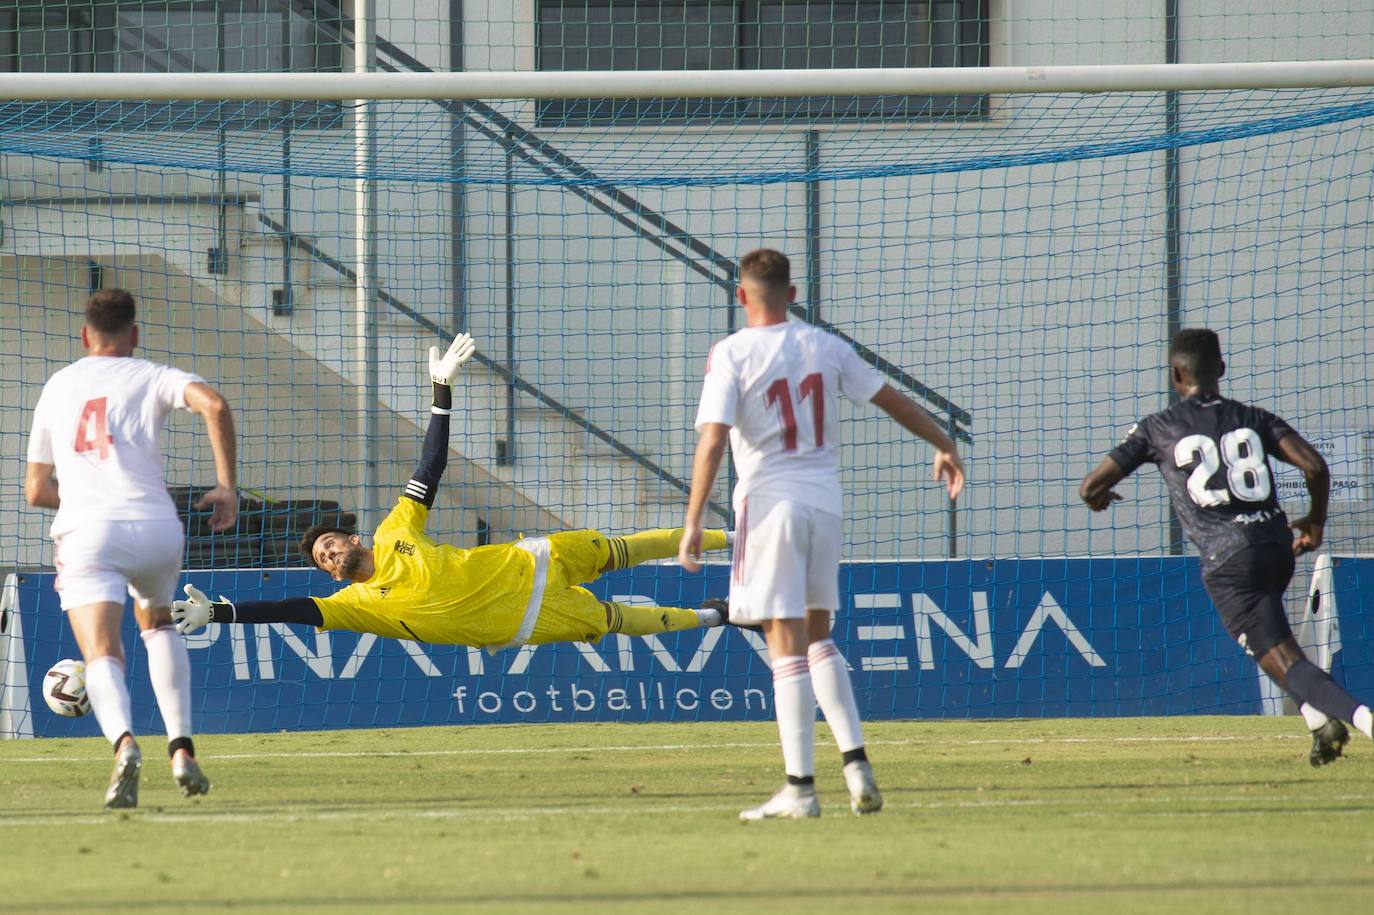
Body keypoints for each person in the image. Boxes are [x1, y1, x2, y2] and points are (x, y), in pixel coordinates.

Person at [172, 333, 732, 653]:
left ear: (351, 537)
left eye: (329, 546)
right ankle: (710, 619)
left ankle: (735, 532)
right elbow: (287, 609)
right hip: (525, 622)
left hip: (527, 560)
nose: (329, 558)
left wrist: (442, 391)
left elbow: (430, 466)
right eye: (322, 562)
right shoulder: (357, 607)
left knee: (622, 549)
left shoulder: (396, 531)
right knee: (619, 621)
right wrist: (222, 613)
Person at [678, 249, 965, 819]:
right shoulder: (825, 346)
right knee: (817, 637)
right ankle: (856, 764)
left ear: (741, 296)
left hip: (769, 505)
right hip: (824, 505)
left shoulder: (731, 352)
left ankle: (800, 789)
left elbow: (712, 440)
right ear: (792, 292)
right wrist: (944, 443)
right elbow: (894, 401)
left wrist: (693, 519)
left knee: (783, 642)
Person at [1080, 327, 1369, 766]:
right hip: (1275, 547)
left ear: (1176, 375)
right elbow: (1315, 467)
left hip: (1229, 560)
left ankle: (1361, 719)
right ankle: (1317, 721)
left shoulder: (1157, 428)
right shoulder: (1253, 417)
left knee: (1282, 655)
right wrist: (1315, 521)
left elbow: (1090, 487)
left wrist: (1099, 498)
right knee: (1267, 644)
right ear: (1221, 368)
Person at [25, 288, 239, 809]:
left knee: (102, 651)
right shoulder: (152, 375)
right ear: (135, 335)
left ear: (84, 336)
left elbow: (35, 490)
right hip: (155, 525)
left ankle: (124, 744)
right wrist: (226, 485)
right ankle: (182, 749)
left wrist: (84, 500)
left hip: (88, 531)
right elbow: (214, 405)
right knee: (159, 625)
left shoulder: (58, 385)